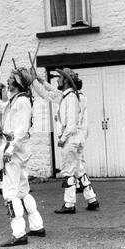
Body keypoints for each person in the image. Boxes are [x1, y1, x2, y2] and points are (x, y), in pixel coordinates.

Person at [0, 67, 45, 247]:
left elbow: (21, 130)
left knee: (10, 193)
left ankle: (19, 233)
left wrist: (9, 149)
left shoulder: (21, 101)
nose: (7, 82)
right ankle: (37, 226)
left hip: (14, 150)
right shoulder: (16, 100)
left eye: (10, 79)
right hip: (17, 150)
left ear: (18, 82)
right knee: (22, 190)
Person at [31, 68, 99, 213]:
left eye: (60, 78)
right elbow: (51, 93)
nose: (57, 80)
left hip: (71, 139)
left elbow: (71, 123)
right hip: (78, 139)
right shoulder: (75, 96)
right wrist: (39, 81)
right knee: (80, 170)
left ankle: (69, 205)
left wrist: (62, 138)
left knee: (68, 172)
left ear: (66, 81)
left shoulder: (69, 98)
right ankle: (92, 199)